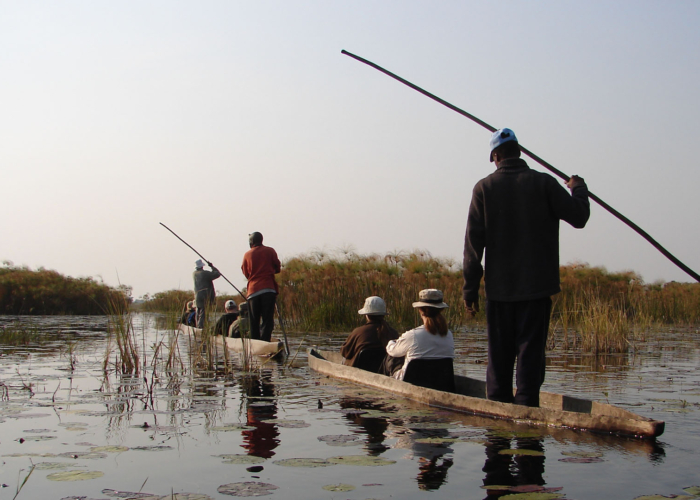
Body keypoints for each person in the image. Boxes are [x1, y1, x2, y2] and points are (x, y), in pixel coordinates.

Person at [462, 128, 590, 407]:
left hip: (499, 293)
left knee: (499, 358)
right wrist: (579, 188)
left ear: (495, 156)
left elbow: (474, 246)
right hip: (536, 291)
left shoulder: (484, 188)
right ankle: (527, 410)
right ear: (519, 152)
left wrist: (470, 291)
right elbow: (579, 217)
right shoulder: (544, 183)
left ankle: (497, 417)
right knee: (531, 355)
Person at [385, 289, 454, 381]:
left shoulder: (413, 335)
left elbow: (392, 351)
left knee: (392, 356)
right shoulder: (448, 334)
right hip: (440, 382)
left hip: (411, 380)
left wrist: (391, 342)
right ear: (441, 310)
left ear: (420, 310)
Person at [241, 232, 281, 342]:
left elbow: (245, 272)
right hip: (268, 289)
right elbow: (278, 268)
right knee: (267, 319)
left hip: (253, 291)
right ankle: (265, 341)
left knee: (254, 320)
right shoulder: (270, 251)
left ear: (252, 242)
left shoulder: (247, 255)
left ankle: (255, 343)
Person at [340, 296, 398, 370]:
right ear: (383, 315)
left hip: (359, 371)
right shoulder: (393, 333)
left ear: (366, 315)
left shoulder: (358, 332)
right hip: (382, 371)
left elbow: (344, 352)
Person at [193, 259, 221, 328]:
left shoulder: (194, 273)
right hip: (204, 296)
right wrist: (212, 266)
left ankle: (197, 326)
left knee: (198, 312)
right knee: (203, 313)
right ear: (202, 266)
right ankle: (201, 328)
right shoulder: (204, 273)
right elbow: (217, 274)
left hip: (197, 296)